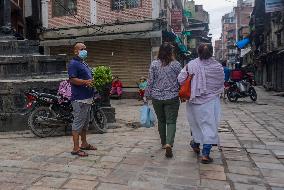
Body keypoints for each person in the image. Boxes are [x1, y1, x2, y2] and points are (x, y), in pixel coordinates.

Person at [178, 44, 224, 164]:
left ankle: (196, 144)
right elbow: (220, 82)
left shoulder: (191, 65)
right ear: (212, 52)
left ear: (198, 53)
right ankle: (205, 154)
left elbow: (180, 79)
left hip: (194, 101)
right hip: (211, 101)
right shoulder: (217, 66)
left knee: (196, 124)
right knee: (209, 125)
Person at [145, 43, 182, 158]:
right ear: (171, 52)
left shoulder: (154, 64)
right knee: (171, 121)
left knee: (161, 121)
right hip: (172, 97)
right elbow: (182, 79)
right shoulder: (176, 65)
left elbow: (150, 81)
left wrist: (146, 95)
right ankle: (169, 143)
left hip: (157, 97)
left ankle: (163, 143)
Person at [67, 43, 97, 157]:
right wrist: (86, 82)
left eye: (85, 48)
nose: (84, 51)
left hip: (87, 98)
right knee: (78, 123)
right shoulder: (73, 64)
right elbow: (72, 79)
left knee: (84, 124)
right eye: (82, 49)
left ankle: (84, 143)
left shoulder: (83, 63)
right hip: (79, 99)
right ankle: (76, 148)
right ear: (76, 51)